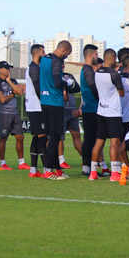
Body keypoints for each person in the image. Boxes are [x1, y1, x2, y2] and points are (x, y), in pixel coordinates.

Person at [39, 40, 74, 180]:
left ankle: (57, 169)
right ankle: (48, 170)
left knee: (53, 136)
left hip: (45, 102)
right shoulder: (56, 62)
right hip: (55, 102)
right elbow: (57, 82)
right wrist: (68, 83)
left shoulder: (44, 59)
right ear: (64, 50)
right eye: (67, 54)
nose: (66, 57)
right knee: (54, 137)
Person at [90, 48, 125, 181]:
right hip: (113, 112)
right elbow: (121, 93)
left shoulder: (97, 72)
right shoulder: (114, 74)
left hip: (101, 110)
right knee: (115, 142)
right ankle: (115, 174)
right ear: (112, 58)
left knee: (99, 142)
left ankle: (93, 173)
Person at [0, 61, 28, 171]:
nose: (8, 70)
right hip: (3, 113)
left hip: (14, 113)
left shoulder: (12, 80)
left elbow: (21, 92)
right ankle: (3, 163)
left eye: (9, 68)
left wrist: (9, 82)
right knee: (3, 138)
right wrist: (13, 93)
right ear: (0, 70)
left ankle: (21, 162)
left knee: (20, 137)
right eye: (6, 68)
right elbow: (2, 99)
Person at [79, 44, 104, 176]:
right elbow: (93, 87)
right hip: (91, 109)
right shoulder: (87, 70)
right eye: (96, 54)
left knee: (90, 139)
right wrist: (102, 99)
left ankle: (87, 167)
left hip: (90, 109)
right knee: (91, 139)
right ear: (90, 55)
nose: (97, 57)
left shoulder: (86, 70)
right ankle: (88, 168)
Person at [24, 44, 47, 177]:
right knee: (43, 138)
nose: (44, 55)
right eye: (43, 52)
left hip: (33, 107)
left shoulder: (33, 68)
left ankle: (33, 170)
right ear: (37, 53)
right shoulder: (34, 69)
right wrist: (45, 103)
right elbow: (38, 89)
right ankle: (46, 170)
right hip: (37, 108)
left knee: (36, 138)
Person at [58, 67, 82, 169]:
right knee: (60, 137)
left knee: (76, 134)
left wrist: (67, 85)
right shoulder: (54, 76)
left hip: (72, 109)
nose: (62, 66)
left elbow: (76, 88)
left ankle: (84, 158)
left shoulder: (69, 75)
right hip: (61, 109)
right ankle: (61, 160)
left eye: (62, 64)